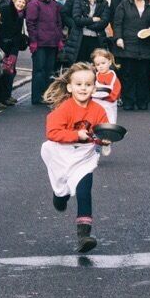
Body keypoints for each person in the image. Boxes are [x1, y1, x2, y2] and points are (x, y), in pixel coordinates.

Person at [40, 62, 108, 253]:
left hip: (84, 156)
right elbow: (52, 132)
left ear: (94, 87)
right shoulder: (64, 108)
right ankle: (59, 196)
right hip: (61, 153)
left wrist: (105, 140)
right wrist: (76, 135)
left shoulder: (98, 110)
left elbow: (103, 132)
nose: (83, 88)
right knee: (61, 190)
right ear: (70, 87)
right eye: (78, 84)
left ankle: (84, 236)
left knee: (84, 191)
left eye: (88, 84)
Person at [112, 0, 150, 110]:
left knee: (143, 75)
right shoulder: (124, 4)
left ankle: (142, 102)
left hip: (146, 45)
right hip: (128, 44)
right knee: (128, 75)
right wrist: (118, 38)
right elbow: (117, 23)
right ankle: (128, 101)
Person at [25, 0, 64, 106]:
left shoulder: (54, 5)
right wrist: (33, 41)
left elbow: (58, 24)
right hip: (40, 43)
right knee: (39, 71)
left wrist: (59, 40)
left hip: (52, 43)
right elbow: (30, 24)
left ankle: (47, 95)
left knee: (49, 71)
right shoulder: (34, 4)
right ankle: (37, 97)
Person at [67, 0, 110, 64]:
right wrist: (92, 19)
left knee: (95, 66)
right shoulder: (79, 0)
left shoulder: (104, 3)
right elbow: (77, 20)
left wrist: (85, 23)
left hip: (96, 39)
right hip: (81, 39)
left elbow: (104, 22)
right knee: (80, 66)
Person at [91, 48, 121, 127]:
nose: (100, 66)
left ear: (109, 62)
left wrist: (107, 97)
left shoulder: (113, 77)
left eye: (103, 63)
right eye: (98, 64)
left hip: (108, 104)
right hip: (95, 104)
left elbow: (116, 91)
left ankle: (108, 136)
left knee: (109, 122)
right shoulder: (95, 76)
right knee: (94, 122)